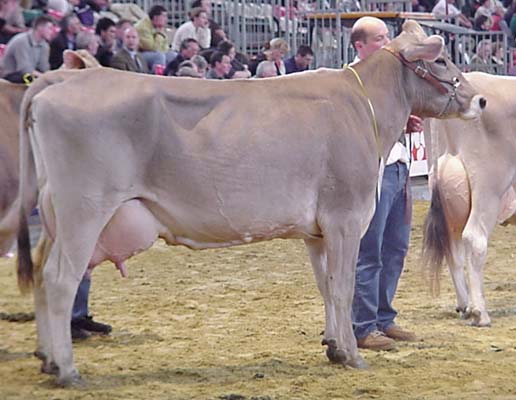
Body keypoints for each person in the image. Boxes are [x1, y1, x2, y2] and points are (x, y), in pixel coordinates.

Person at [350, 16, 421, 351]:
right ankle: (362, 327)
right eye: (379, 39)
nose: (387, 43)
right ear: (359, 45)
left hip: (398, 166)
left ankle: (383, 318)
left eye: (387, 36)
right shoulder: (348, 81)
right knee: (370, 251)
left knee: (395, 247)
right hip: (369, 172)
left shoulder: (393, 78)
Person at [1, 14, 53, 83]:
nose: (51, 31)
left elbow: (44, 67)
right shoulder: (21, 41)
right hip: (11, 74)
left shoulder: (44, 45)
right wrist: (44, 77)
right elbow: (24, 68)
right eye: (49, 28)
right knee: (30, 79)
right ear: (40, 27)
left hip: (30, 74)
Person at [135, 4, 173, 72]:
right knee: (159, 56)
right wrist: (160, 34)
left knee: (173, 55)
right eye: (164, 16)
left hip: (154, 52)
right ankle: (157, 79)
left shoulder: (158, 26)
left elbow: (165, 47)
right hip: (139, 54)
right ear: (155, 17)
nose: (166, 19)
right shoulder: (142, 27)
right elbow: (152, 48)